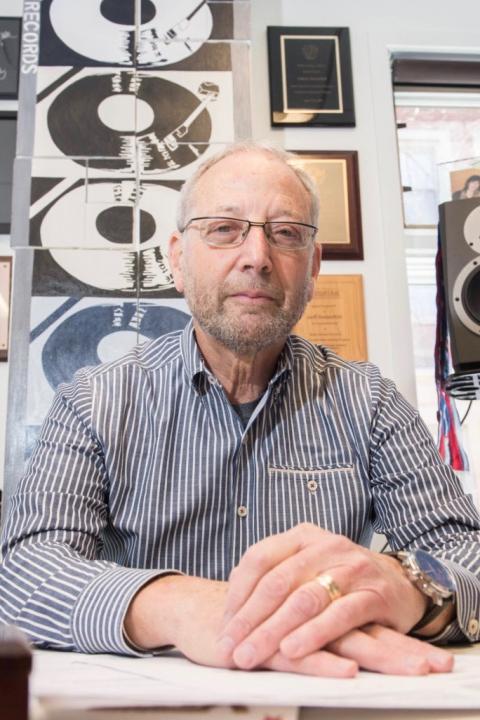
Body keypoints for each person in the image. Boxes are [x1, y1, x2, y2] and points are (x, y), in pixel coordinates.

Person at [1, 142, 480, 679]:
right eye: (225, 228)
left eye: (286, 233)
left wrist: (408, 587)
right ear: (178, 259)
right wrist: (184, 606)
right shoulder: (93, 402)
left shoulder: (371, 403)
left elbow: (467, 552)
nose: (257, 256)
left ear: (313, 267)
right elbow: (25, 574)